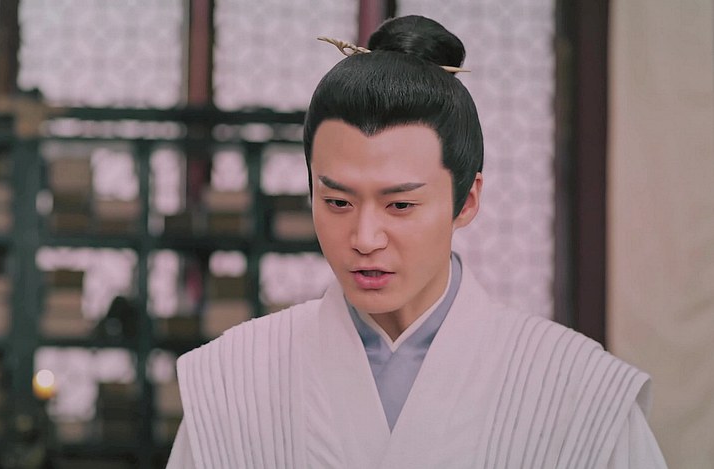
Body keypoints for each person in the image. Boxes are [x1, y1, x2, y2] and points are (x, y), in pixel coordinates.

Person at [167, 15, 666, 468]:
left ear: (466, 201)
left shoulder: (580, 390)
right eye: (338, 201)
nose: (364, 239)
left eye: (400, 205)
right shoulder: (231, 380)